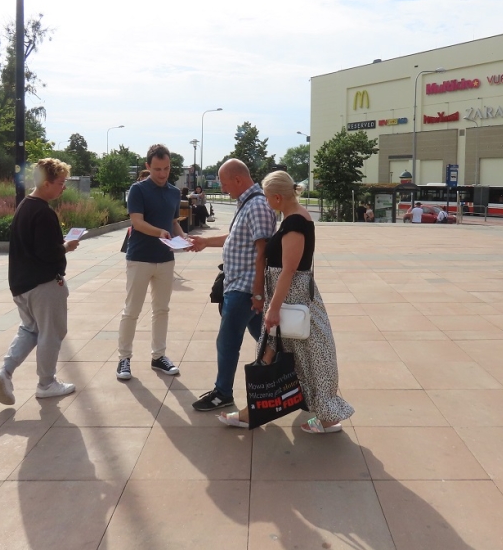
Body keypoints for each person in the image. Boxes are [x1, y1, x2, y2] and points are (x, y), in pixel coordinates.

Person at [218, 171, 354, 434]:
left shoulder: (294, 223)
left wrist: (273, 308)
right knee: (284, 354)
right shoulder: (295, 218)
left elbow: (289, 270)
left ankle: (322, 415)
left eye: (268, 198)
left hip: (290, 299)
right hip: (290, 299)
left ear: (278, 197)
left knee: (310, 355)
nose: (267, 203)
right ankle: (256, 410)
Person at [0, 158, 81, 405]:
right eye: (60, 182)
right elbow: (47, 252)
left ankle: (5, 372)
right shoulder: (43, 212)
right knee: (51, 332)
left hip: (21, 284)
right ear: (46, 183)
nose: (64, 187)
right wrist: (66, 246)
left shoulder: (24, 206)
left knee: (30, 329)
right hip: (44, 284)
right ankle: (46, 383)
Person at [189, 159, 277, 411]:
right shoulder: (248, 203)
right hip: (241, 287)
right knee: (267, 341)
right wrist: (205, 242)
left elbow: (263, 252)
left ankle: (223, 393)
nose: (223, 188)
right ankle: (292, 380)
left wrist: (258, 293)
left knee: (227, 341)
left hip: (246, 289)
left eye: (225, 183)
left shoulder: (257, 205)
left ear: (238, 180)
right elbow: (237, 238)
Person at [115, 144, 188, 381]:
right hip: (140, 258)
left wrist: (184, 238)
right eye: (157, 169)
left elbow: (173, 222)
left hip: (165, 259)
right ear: (148, 166)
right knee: (132, 310)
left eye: (166, 168)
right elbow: (137, 222)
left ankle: (159, 356)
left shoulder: (174, 192)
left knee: (162, 309)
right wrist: (159, 232)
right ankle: (124, 358)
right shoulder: (138, 190)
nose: (162, 173)